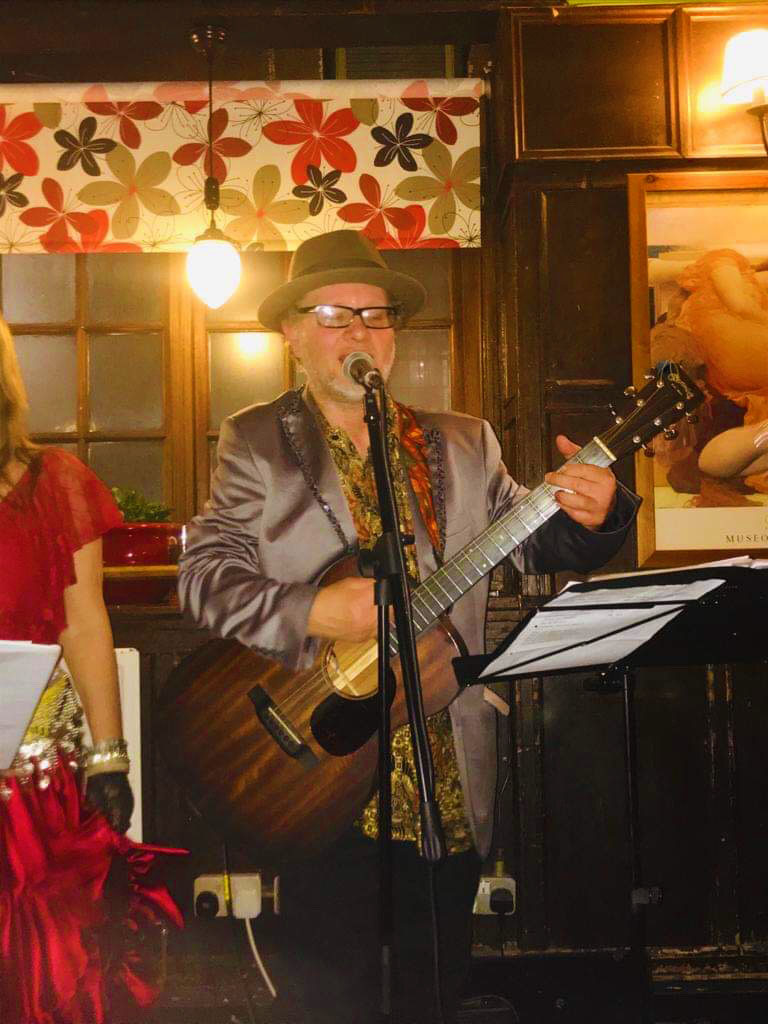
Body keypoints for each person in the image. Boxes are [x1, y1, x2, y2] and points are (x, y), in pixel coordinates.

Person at [178, 229, 639, 1023]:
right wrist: (316, 609)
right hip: (313, 772)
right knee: (327, 1001)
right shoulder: (256, 440)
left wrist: (595, 516)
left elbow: (533, 545)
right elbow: (204, 579)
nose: (359, 331)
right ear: (292, 333)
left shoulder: (462, 441)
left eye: (376, 315)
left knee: (433, 991)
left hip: (441, 777)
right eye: (334, 315)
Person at [0, 317, 183, 1024]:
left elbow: (84, 623)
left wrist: (110, 758)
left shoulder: (55, 482)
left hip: (36, 786)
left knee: (48, 971)